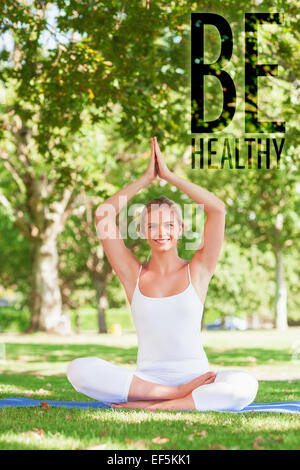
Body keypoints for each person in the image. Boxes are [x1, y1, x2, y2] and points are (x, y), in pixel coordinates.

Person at [67, 137, 258, 412]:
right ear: (143, 232)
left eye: (169, 224)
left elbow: (217, 210)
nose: (161, 232)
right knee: (79, 369)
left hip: (198, 379)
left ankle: (154, 406)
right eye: (152, 226)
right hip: (147, 380)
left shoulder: (199, 269)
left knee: (245, 385)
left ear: (180, 229)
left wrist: (169, 176)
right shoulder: (133, 274)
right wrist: (146, 178)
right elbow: (103, 215)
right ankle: (175, 396)